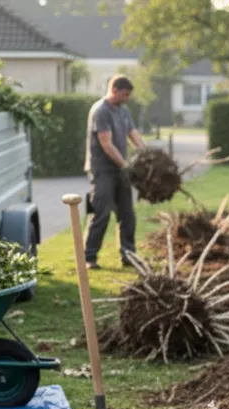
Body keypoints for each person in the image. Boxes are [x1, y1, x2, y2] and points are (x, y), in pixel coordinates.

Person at [84, 75, 147, 268]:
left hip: (120, 170)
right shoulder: (101, 111)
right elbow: (106, 144)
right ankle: (90, 257)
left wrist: (148, 154)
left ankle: (129, 255)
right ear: (115, 90)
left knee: (127, 213)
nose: (128, 98)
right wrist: (126, 166)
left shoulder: (123, 110)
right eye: (126, 94)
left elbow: (132, 134)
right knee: (101, 213)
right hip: (102, 170)